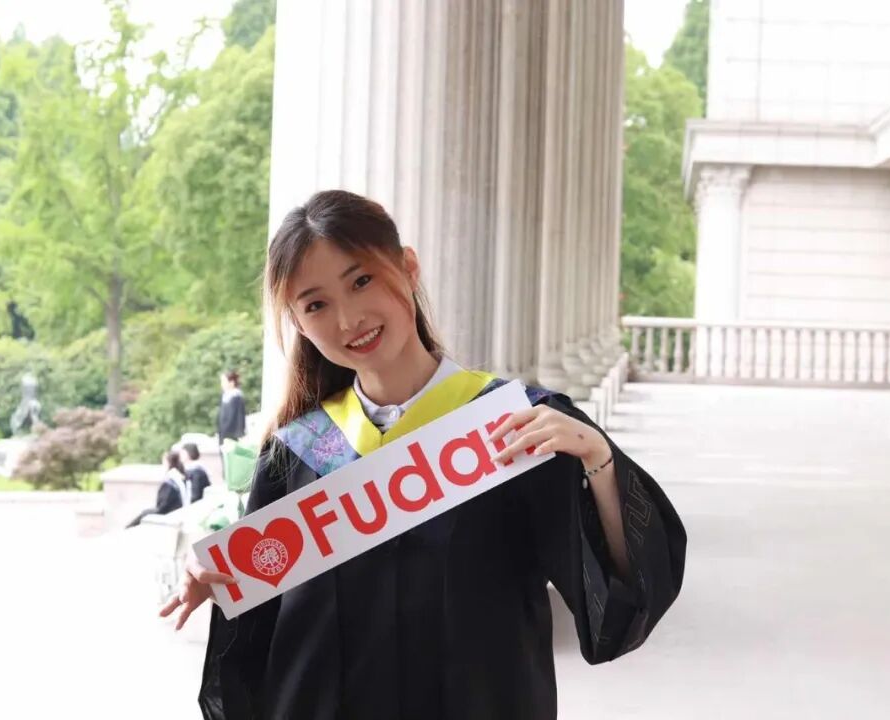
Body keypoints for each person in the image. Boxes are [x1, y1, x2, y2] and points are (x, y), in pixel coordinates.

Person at [160, 190, 687, 719]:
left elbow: (618, 602)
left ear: (408, 267)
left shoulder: (512, 426)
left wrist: (600, 462)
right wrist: (223, 575)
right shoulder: (301, 451)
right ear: (298, 322)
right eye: (316, 304)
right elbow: (259, 645)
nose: (348, 320)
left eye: (361, 281)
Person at [127, 450, 190, 528]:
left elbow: (162, 507)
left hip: (171, 514)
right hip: (178, 511)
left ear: (168, 463)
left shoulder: (171, 482)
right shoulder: (180, 476)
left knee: (144, 514)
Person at [217, 370, 247, 445]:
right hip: (224, 434)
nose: (222, 384)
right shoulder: (225, 396)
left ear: (231, 383)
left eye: (224, 382)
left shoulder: (236, 397)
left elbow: (234, 419)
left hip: (232, 435)